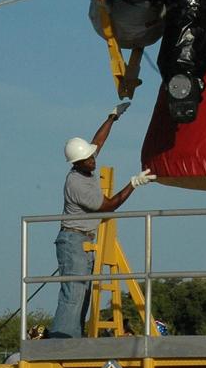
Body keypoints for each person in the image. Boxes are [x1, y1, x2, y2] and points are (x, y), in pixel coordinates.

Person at [51, 105, 156, 339]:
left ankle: (72, 339)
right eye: (87, 159)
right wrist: (134, 184)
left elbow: (98, 141)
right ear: (76, 163)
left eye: (91, 156)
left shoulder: (86, 163)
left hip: (83, 241)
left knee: (83, 293)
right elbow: (109, 205)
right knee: (74, 293)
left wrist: (112, 117)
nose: (93, 160)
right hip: (74, 240)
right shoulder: (77, 184)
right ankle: (61, 342)